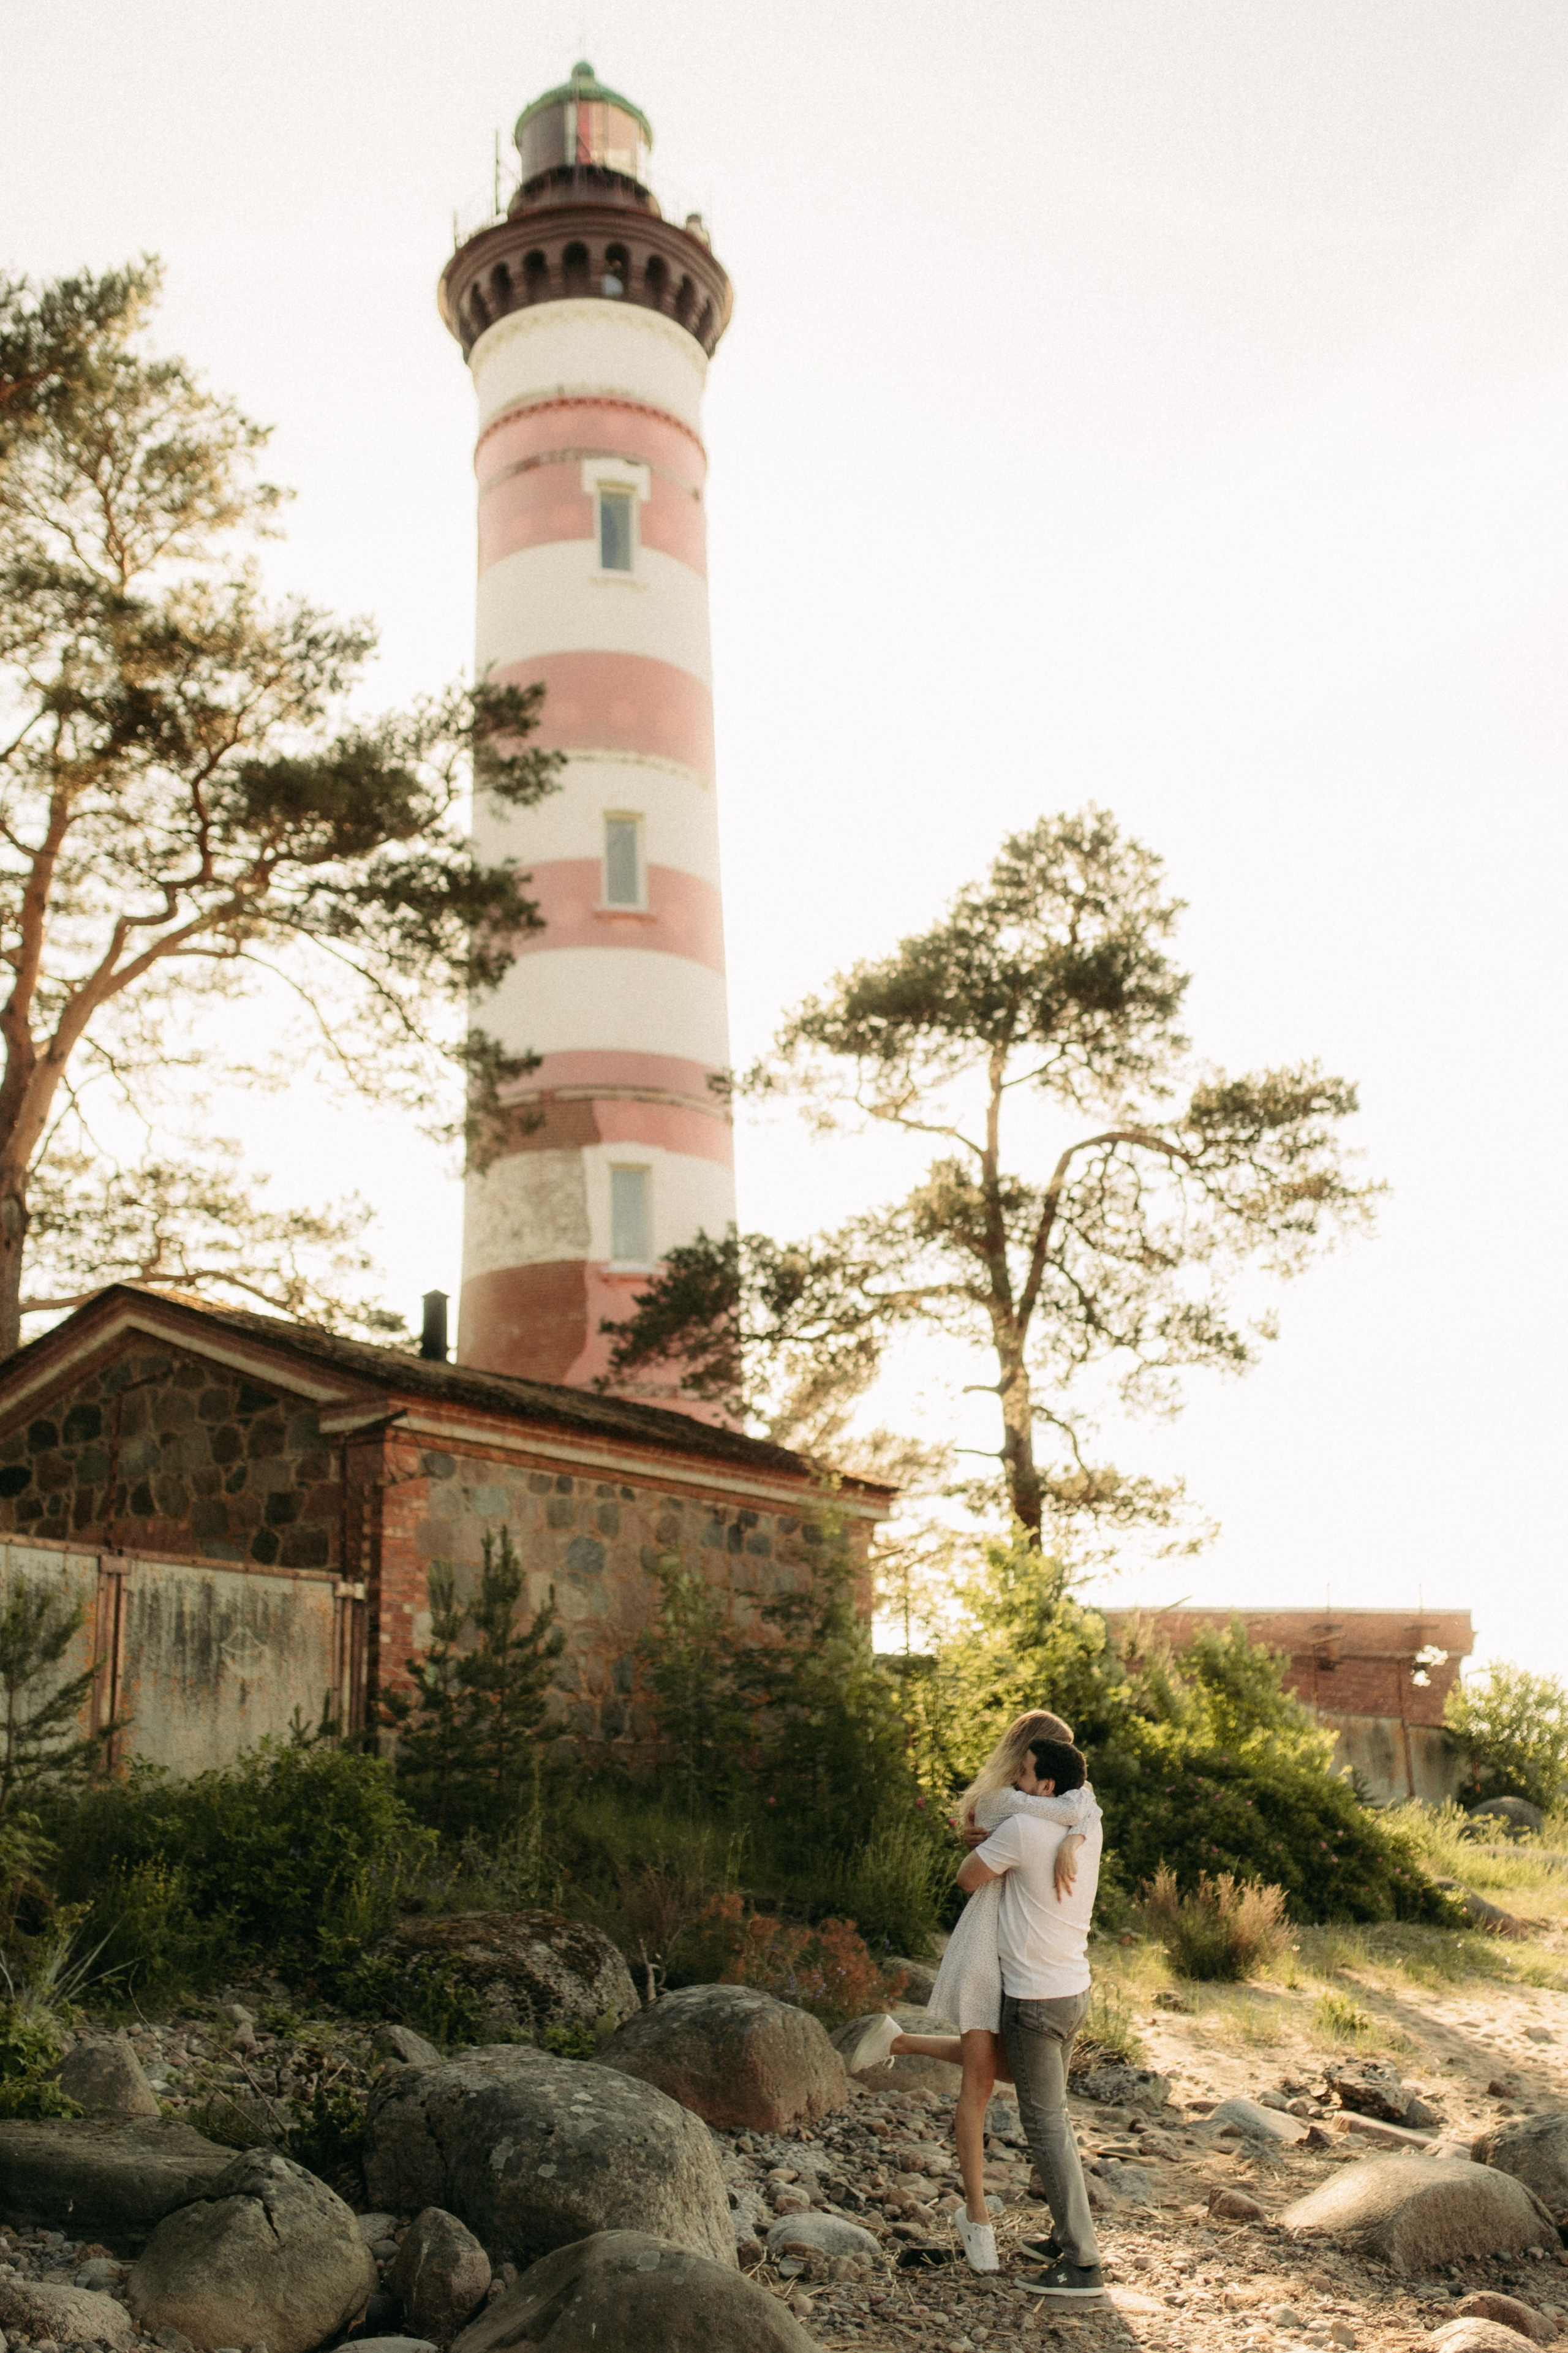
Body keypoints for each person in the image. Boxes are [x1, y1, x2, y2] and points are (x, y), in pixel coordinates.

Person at [840, 1712, 1103, 2293]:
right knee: (1010, 2088)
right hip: (1072, 1987)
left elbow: (966, 1876)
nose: (1021, 1778)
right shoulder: (1080, 1820)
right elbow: (1077, 1810)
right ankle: (1031, 2232)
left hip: (1032, 1993)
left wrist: (993, 1832)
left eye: (1029, 1771)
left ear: (1042, 1781)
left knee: (1043, 2121)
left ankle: (1082, 2261)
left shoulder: (1024, 1825)